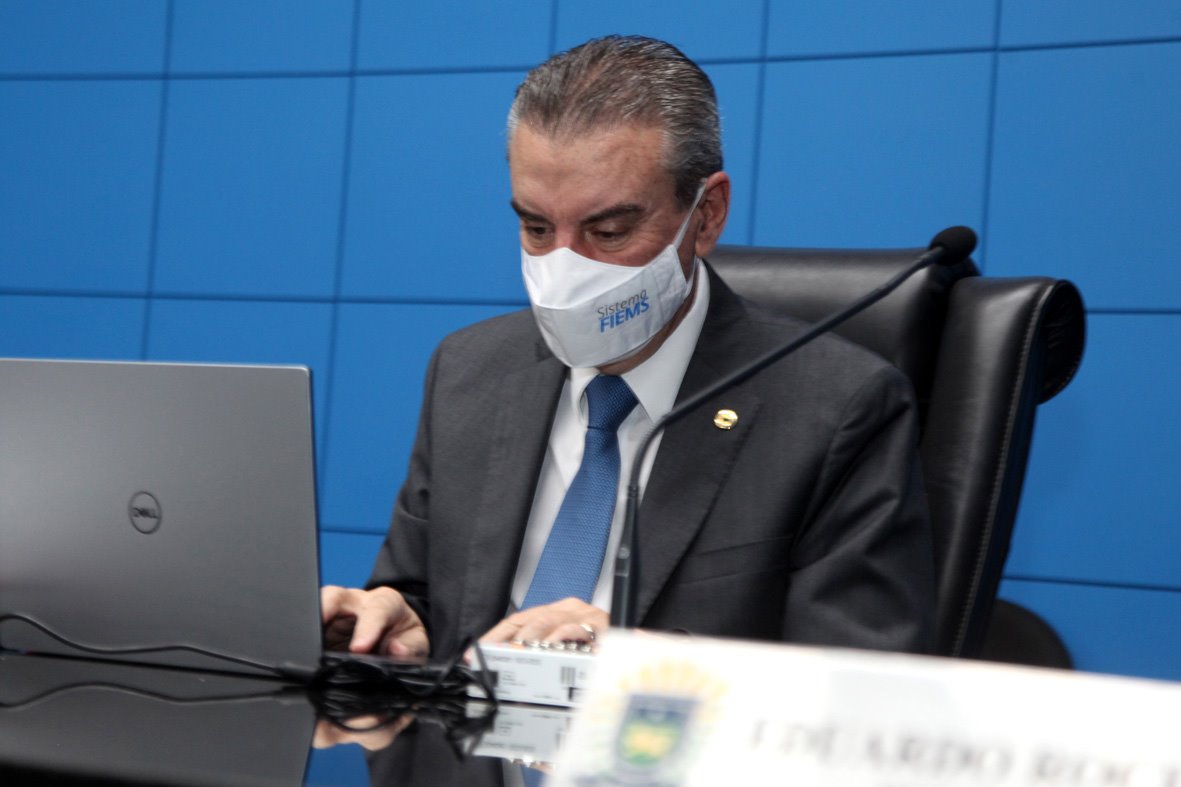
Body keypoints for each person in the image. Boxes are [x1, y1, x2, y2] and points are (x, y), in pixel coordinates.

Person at [321, 35, 934, 664]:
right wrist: (402, 623)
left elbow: (856, 677)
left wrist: (637, 662)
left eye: (609, 231)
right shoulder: (469, 370)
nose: (565, 268)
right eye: (536, 227)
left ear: (707, 214)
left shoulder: (836, 408)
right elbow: (429, 599)